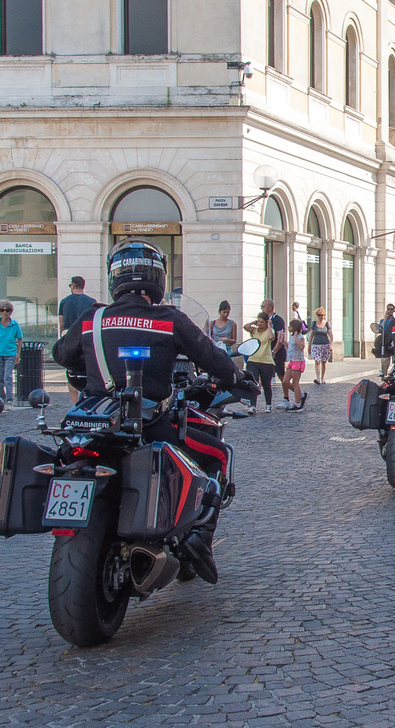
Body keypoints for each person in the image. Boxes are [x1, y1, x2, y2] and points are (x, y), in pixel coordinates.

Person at [52, 239, 250, 584]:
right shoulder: (168, 319)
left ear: (115, 278)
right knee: (218, 454)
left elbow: (61, 355)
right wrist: (236, 376)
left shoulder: (92, 318)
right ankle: (199, 540)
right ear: (157, 278)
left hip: (94, 426)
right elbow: (213, 359)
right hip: (148, 425)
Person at [58, 276, 97, 401]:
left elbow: (61, 323)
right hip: (86, 336)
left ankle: (75, 405)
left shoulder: (64, 301)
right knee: (89, 369)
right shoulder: (92, 301)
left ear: (72, 286)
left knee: (71, 372)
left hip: (69, 337)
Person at [0, 299, 23, 407]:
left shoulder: (14, 324)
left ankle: (9, 399)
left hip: (10, 353)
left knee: (7, 376)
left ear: (11, 311)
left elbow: (20, 339)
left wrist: (18, 354)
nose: (5, 312)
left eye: (7, 310)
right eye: (2, 310)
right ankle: (0, 398)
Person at [242, 312, 277, 412]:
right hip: (253, 360)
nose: (260, 324)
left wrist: (269, 325)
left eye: (262, 322)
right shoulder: (254, 331)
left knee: (266, 384)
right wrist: (254, 322)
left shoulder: (270, 331)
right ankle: (252, 406)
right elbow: (246, 327)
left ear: (266, 322)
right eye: (259, 321)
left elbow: (270, 337)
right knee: (253, 383)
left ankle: (268, 405)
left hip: (266, 361)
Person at [261, 299, 289, 408]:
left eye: (263, 306)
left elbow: (280, 338)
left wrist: (274, 351)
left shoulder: (278, 320)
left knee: (281, 375)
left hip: (277, 353)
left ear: (270, 307)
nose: (262, 308)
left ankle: (288, 397)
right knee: (263, 376)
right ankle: (253, 402)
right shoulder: (264, 320)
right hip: (265, 352)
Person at [284, 318, 308, 410]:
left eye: (290, 326)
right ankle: (301, 395)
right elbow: (290, 347)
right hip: (292, 360)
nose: (288, 327)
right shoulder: (291, 337)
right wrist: (283, 342)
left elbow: (301, 347)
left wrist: (295, 337)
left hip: (298, 361)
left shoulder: (300, 337)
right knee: (285, 381)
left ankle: (297, 404)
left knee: (295, 382)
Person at [308, 306, 332, 383]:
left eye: (322, 315)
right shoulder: (314, 323)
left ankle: (323, 378)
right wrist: (309, 346)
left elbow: (331, 335)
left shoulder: (327, 323)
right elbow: (311, 335)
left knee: (324, 362)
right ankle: (318, 378)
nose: (320, 316)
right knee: (317, 361)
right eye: (319, 315)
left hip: (325, 344)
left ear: (324, 315)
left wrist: (331, 345)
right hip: (316, 344)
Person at [377, 303, 395, 374]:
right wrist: (385, 319)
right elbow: (380, 329)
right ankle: (384, 373)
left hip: (393, 341)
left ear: (394, 310)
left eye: (391, 309)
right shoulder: (383, 320)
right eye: (388, 309)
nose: (390, 311)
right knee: (385, 359)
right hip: (385, 341)